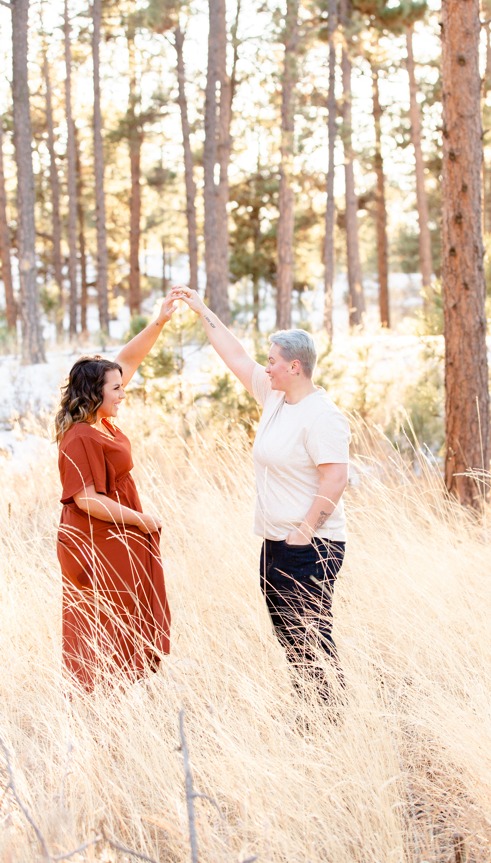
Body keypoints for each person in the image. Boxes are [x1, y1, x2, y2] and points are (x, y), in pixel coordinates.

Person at [175, 286, 350, 706]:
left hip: (311, 544)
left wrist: (303, 534)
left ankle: (330, 718)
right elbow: (234, 355)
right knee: (290, 635)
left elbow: (336, 479)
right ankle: (313, 715)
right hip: (275, 542)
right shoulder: (275, 397)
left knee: (310, 634)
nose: (265, 367)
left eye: (272, 361)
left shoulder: (323, 415)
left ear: (294, 365)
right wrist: (202, 309)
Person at [55, 291, 178, 691]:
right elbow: (86, 499)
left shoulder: (100, 421)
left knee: (125, 611)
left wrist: (158, 322)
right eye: (117, 389)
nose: (124, 392)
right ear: (96, 393)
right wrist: (141, 520)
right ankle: (100, 696)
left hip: (115, 530)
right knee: (105, 617)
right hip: (94, 535)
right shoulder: (78, 437)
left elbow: (126, 362)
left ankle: (121, 695)